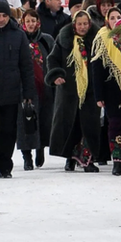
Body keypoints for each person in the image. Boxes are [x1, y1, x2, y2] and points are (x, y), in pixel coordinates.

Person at [45, 11, 101, 171]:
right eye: (79, 24)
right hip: (69, 90)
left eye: (85, 24)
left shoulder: (97, 40)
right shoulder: (64, 39)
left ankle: (87, 159)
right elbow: (52, 59)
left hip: (90, 91)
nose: (82, 27)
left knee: (88, 126)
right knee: (70, 125)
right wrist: (56, 75)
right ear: (74, 24)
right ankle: (70, 157)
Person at [91, 7, 121, 176]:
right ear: (107, 21)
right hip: (111, 90)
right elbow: (96, 68)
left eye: (119, 17)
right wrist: (99, 95)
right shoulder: (102, 39)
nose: (116, 20)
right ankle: (117, 160)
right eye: (112, 18)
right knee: (115, 125)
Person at [0, 0, 37, 178]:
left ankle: (5, 166)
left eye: (4, 15)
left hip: (10, 91)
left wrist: (28, 93)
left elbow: (26, 67)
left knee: (8, 131)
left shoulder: (18, 35)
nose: (1, 19)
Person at [16, 9, 55, 171]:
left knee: (45, 120)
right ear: (23, 23)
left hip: (45, 87)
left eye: (33, 21)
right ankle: (27, 156)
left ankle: (40, 148)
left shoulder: (46, 40)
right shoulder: (19, 39)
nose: (31, 24)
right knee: (25, 122)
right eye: (28, 21)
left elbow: (53, 60)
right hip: (24, 87)